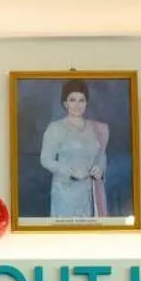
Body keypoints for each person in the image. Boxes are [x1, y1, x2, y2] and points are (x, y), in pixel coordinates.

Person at [36, 79, 110, 219]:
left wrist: (99, 168)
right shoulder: (56, 128)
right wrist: (71, 172)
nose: (77, 105)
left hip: (90, 192)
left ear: (86, 103)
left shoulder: (96, 129)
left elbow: (101, 155)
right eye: (72, 100)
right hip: (65, 193)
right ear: (65, 103)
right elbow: (45, 159)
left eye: (81, 100)